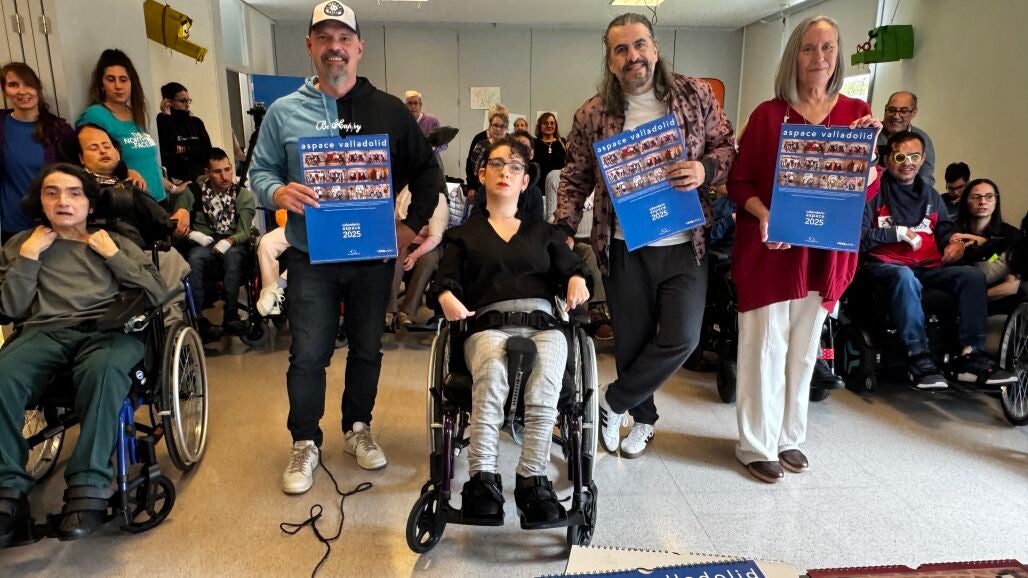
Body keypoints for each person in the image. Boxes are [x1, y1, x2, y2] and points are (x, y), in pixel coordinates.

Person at [249, 1, 441, 494]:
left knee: (367, 348)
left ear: (359, 47)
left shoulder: (389, 110)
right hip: (310, 255)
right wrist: (278, 192)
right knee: (308, 353)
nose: (334, 47)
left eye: (343, 38)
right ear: (310, 46)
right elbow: (259, 172)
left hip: (371, 257)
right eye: (324, 37)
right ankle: (304, 441)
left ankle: (358, 427)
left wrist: (409, 228)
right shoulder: (284, 112)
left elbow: (428, 171)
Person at [555, 12, 736, 459]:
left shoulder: (695, 95)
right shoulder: (593, 113)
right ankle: (644, 419)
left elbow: (727, 147)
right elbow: (574, 177)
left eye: (639, 45)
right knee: (632, 341)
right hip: (623, 245)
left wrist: (704, 169)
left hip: (685, 243)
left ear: (655, 48)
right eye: (621, 49)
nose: (632, 55)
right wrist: (562, 229)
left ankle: (612, 401)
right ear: (610, 60)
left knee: (682, 338)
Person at [728, 16, 882, 484]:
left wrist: (868, 158)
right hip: (770, 251)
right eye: (809, 48)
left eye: (828, 47)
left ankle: (788, 437)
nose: (819, 57)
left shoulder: (856, 113)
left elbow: (866, 190)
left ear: (839, 55)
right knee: (765, 349)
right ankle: (755, 444)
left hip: (824, 252)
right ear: (793, 56)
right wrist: (764, 213)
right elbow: (739, 183)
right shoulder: (767, 115)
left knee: (804, 350)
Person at [0, 163, 169, 545]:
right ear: (40, 202)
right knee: (3, 374)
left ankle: (88, 485)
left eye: (74, 193)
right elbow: (11, 308)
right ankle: (8, 488)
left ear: (91, 204)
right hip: (44, 331)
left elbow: (158, 293)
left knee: (104, 370)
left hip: (109, 331)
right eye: (52, 193)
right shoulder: (22, 244)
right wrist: (28, 257)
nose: (63, 201)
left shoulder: (114, 240)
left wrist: (114, 255)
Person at [436, 137, 590, 526]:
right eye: (497, 164)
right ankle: (482, 481)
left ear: (525, 181)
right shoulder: (463, 236)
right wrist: (446, 295)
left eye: (515, 167)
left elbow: (572, 266)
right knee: (491, 376)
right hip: (488, 324)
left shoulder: (545, 233)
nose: (506, 171)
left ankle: (533, 481)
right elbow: (445, 280)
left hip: (544, 325)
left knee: (545, 386)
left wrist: (575, 279)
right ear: (481, 174)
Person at [860, 131, 1016, 391]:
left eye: (914, 156)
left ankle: (970, 354)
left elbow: (943, 229)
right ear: (888, 159)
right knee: (904, 276)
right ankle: (918, 356)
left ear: (922, 159)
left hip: (928, 266)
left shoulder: (931, 196)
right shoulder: (873, 192)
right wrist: (895, 233)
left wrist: (955, 243)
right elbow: (858, 237)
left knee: (971, 276)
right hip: (886, 266)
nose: (908, 162)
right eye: (900, 157)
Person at [75, 124, 191, 324]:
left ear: (117, 152)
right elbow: (163, 224)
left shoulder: (128, 183)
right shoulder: (77, 189)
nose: (102, 151)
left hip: (135, 249)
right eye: (93, 148)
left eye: (107, 146)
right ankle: (169, 324)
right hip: (105, 254)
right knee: (169, 257)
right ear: (81, 158)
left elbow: (160, 220)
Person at [77, 49, 183, 202]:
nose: (118, 86)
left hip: (158, 200)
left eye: (123, 79)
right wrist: (125, 172)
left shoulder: (136, 113)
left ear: (131, 83)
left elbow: (147, 164)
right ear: (101, 84)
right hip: (131, 203)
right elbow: (90, 163)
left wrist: (173, 188)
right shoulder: (95, 115)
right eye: (111, 79)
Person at [175, 148, 256, 338]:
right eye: (218, 172)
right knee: (194, 258)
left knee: (233, 257)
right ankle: (198, 318)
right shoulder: (193, 193)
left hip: (232, 241)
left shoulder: (242, 195)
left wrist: (230, 240)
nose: (225, 176)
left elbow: (245, 231)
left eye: (227, 170)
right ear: (207, 173)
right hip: (203, 242)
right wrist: (193, 235)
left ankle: (231, 315)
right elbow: (177, 225)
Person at [1, 62, 74, 244]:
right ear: (5, 91)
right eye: (13, 85)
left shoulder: (60, 130)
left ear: (38, 89)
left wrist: (123, 169)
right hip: (11, 226)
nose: (22, 91)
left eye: (28, 84)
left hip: (52, 225)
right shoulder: (1, 125)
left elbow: (81, 171)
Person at [952, 178, 1025, 311]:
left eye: (989, 197)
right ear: (965, 201)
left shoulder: (1012, 235)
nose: (982, 202)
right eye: (976, 197)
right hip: (958, 298)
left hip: (1001, 303)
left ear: (996, 201)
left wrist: (970, 299)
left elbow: (1011, 287)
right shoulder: (953, 232)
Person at [387, 188, 448, 329]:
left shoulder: (439, 199)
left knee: (427, 262)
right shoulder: (406, 192)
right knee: (395, 259)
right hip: (408, 240)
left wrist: (414, 257)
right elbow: (394, 221)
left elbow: (435, 237)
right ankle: (389, 311)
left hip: (431, 243)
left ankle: (407, 313)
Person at [472, 129, 544, 222]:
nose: (505, 173)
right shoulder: (488, 188)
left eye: (524, 147)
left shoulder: (535, 193)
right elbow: (475, 220)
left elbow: (537, 225)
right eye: (515, 146)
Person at [876, 91, 935, 188]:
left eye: (903, 111)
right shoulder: (871, 134)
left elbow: (926, 177)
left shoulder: (922, 139)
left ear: (914, 112)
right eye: (892, 110)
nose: (896, 116)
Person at [156, 82, 212, 183]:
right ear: (168, 102)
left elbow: (207, 151)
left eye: (188, 100)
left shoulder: (196, 122)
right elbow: (169, 148)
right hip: (178, 178)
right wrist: (167, 117)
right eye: (182, 101)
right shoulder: (162, 121)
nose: (187, 105)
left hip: (201, 174)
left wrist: (183, 149)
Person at [465, 106, 509, 200]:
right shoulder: (480, 140)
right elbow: (471, 165)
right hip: (483, 188)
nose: (498, 129)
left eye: (502, 125)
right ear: (490, 124)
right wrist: (471, 186)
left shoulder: (511, 142)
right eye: (495, 125)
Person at [533, 112, 566, 183]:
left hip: (559, 184)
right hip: (539, 185)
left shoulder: (562, 142)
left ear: (555, 126)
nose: (549, 125)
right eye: (545, 123)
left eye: (552, 123)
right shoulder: (534, 143)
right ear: (540, 126)